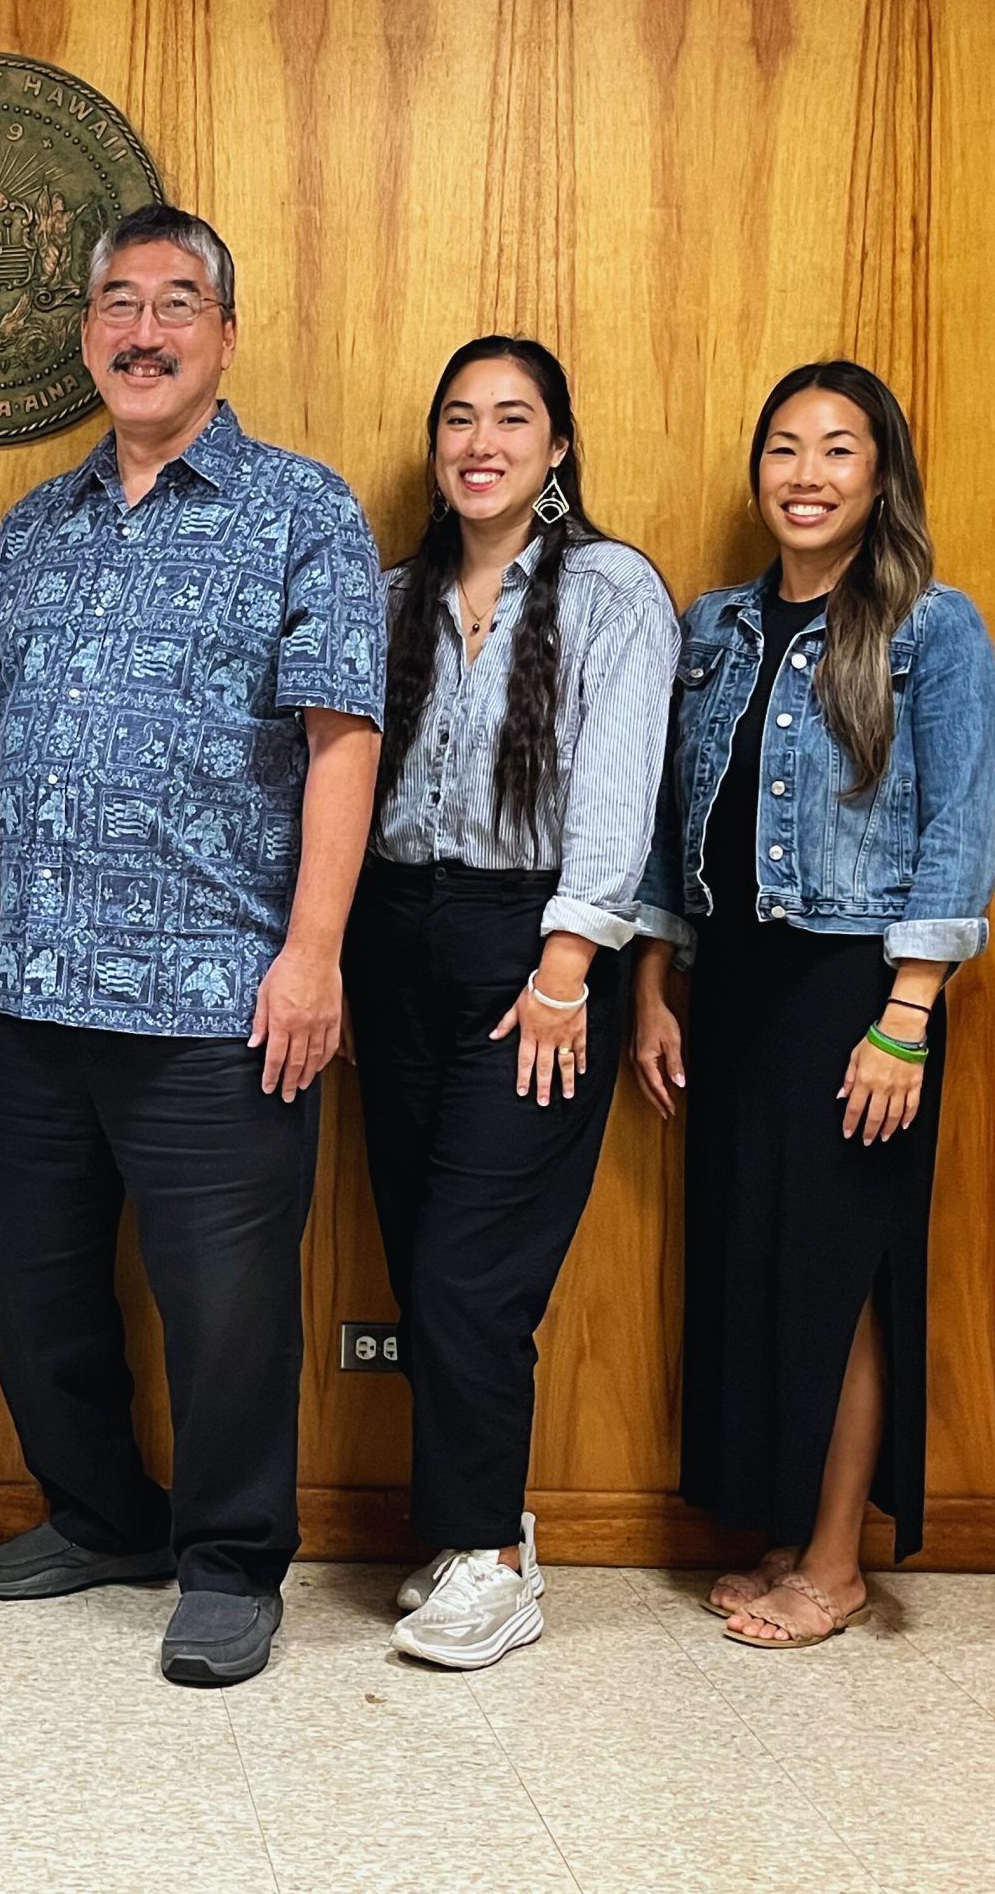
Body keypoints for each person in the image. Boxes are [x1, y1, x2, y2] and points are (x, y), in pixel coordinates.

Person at [0, 204, 387, 1688]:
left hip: (220, 995)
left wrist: (313, 952)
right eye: (119, 305)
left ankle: (231, 1559)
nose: (144, 331)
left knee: (229, 1312)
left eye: (177, 303)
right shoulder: (33, 526)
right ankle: (103, 1517)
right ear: (87, 336)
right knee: (33, 1292)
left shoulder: (301, 510)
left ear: (225, 334)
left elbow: (343, 738)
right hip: (33, 991)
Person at [632, 361, 995, 1649]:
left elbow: (956, 831)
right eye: (784, 448)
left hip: (853, 986)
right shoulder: (717, 625)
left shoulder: (931, 628)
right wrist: (653, 984)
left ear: (879, 474)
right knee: (760, 1271)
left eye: (838, 451)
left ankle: (838, 1564)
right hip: (730, 984)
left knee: (840, 1277)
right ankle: (785, 1533)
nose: (806, 475)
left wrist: (906, 1014)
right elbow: (674, 824)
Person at [347, 337, 678, 1671]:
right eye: (458, 420)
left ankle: (489, 1560)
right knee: (419, 1246)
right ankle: (475, 1529)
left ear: (557, 446)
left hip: (535, 947)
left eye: (511, 418)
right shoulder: (389, 595)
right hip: (393, 938)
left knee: (473, 1271)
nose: (480, 441)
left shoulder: (611, 591)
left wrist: (565, 971)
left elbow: (619, 788)